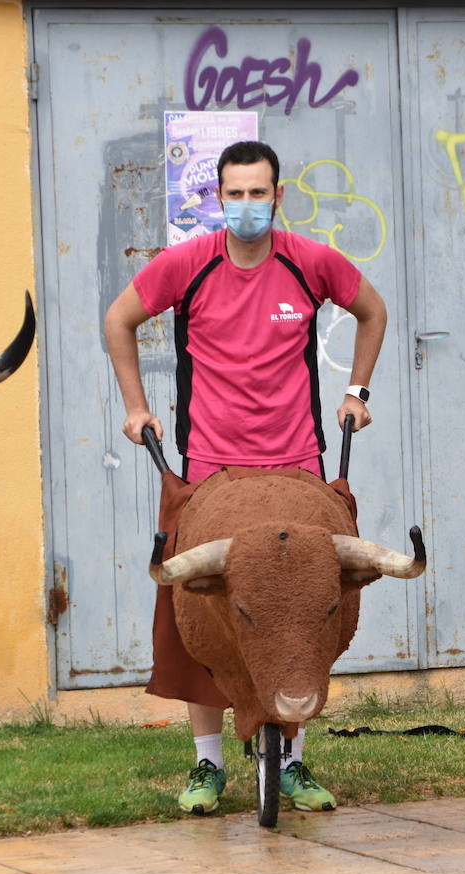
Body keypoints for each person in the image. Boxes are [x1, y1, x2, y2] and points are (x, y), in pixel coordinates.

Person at [104, 140, 388, 815]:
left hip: (297, 467)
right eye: (234, 194)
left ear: (278, 197)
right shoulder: (188, 265)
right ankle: (206, 765)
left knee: (299, 618)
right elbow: (119, 318)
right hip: (208, 472)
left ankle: (293, 762)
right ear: (217, 200)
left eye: (259, 193)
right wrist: (135, 407)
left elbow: (372, 311)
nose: (247, 205)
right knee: (195, 616)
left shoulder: (308, 259)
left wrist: (358, 393)